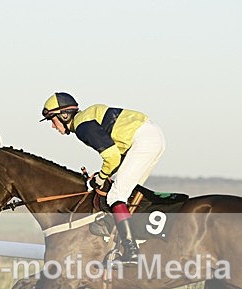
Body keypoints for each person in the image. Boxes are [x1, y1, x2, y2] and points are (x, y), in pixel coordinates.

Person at [40, 92, 166, 265]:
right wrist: (102, 175)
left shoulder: (83, 126)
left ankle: (132, 252)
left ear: (64, 115)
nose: (53, 127)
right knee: (128, 194)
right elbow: (116, 156)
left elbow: (112, 157)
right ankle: (134, 242)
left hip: (143, 140)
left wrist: (101, 176)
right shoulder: (86, 118)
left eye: (52, 120)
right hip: (152, 136)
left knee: (116, 196)